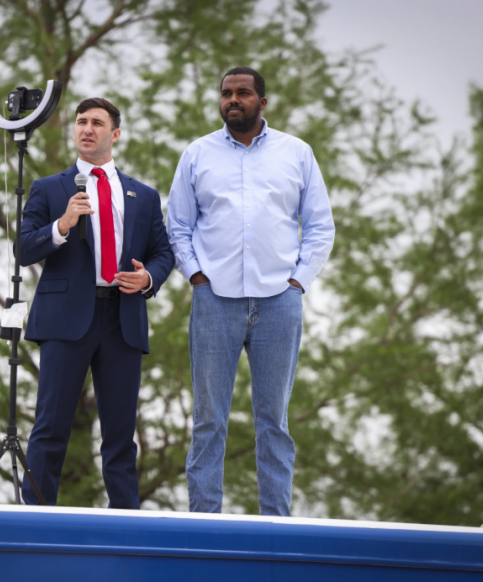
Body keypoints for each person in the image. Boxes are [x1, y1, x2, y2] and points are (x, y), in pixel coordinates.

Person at [166, 67, 335, 516]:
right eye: (226, 93)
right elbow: (178, 225)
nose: (232, 100)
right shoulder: (197, 154)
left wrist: (299, 281)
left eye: (243, 93)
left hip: (279, 301)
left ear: (263, 101)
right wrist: (196, 276)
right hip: (214, 301)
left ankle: (276, 526)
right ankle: (204, 523)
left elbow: (320, 226)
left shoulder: (296, 153)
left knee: (273, 422)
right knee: (208, 420)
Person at [18, 97, 174, 509]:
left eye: (97, 123)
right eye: (81, 121)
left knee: (122, 435)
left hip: (122, 319)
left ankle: (126, 526)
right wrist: (61, 225)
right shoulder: (49, 188)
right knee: (50, 428)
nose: (87, 129)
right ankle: (33, 520)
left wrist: (149, 278)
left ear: (115, 134)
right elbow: (22, 248)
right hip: (65, 320)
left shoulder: (143, 194)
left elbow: (164, 252)